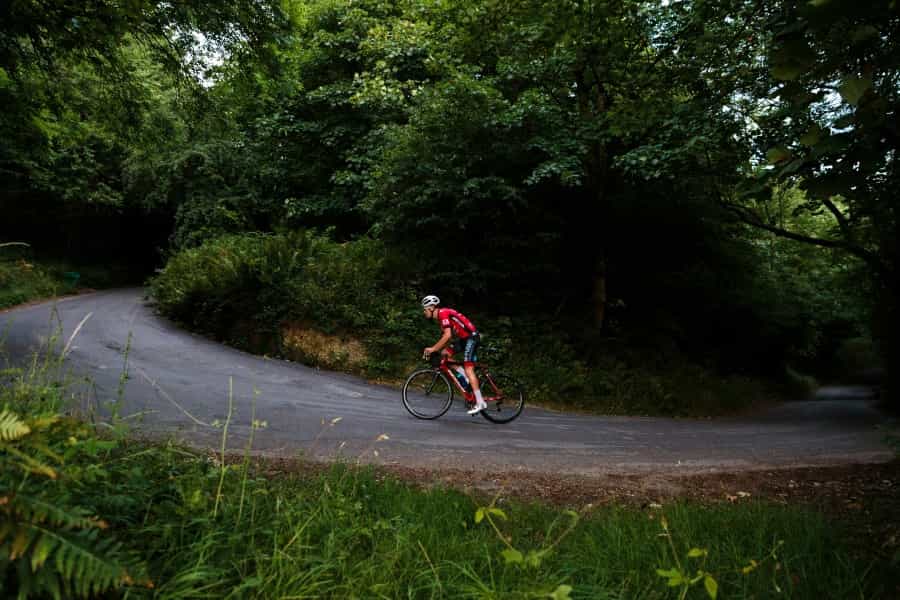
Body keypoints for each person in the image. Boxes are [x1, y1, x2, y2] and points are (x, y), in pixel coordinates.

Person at [420, 295, 486, 414]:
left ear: (431, 308)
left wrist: (433, 349)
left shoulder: (443, 313)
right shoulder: (441, 317)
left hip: (471, 337)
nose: (424, 312)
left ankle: (480, 402)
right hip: (464, 339)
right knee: (445, 354)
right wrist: (441, 349)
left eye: (424, 309)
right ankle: (465, 377)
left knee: (469, 368)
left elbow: (448, 336)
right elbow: (447, 337)